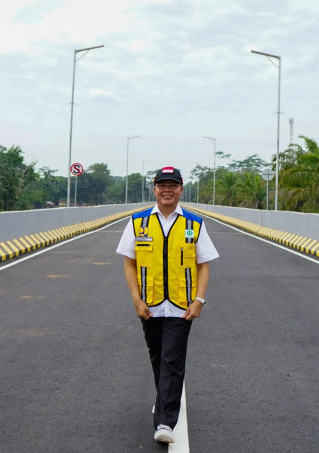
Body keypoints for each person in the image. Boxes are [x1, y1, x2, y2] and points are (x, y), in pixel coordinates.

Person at [116, 166, 219, 444]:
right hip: (149, 305)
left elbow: (204, 266)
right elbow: (129, 263)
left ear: (181, 190)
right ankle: (164, 399)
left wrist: (199, 300)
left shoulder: (194, 223)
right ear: (155, 188)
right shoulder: (138, 222)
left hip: (180, 306)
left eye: (173, 185)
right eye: (163, 185)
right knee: (157, 356)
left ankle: (164, 421)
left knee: (172, 360)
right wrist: (136, 301)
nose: (167, 190)